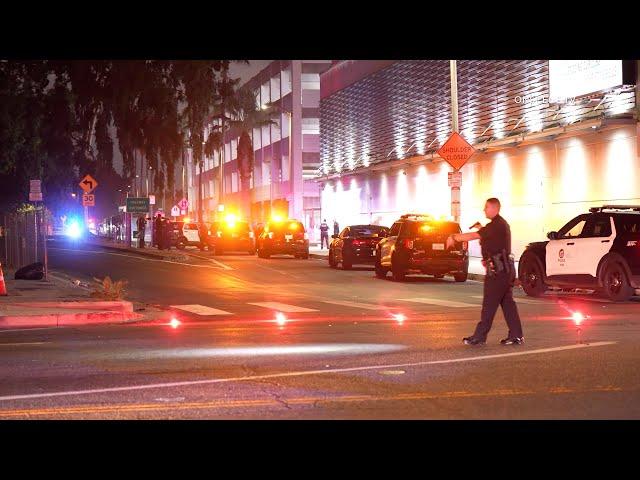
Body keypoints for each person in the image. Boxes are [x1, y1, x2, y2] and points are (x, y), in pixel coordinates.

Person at [445, 197, 524, 346]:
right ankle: (516, 335)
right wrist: (481, 229)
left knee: (489, 304)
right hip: (504, 271)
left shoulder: (497, 225)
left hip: (498, 272)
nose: (484, 210)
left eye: (486, 207)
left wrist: (454, 237)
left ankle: (480, 337)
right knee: (507, 304)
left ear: (495, 208)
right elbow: (488, 239)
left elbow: (474, 236)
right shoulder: (499, 225)